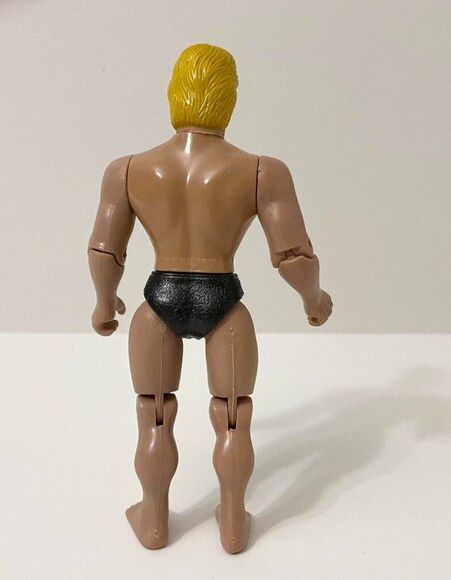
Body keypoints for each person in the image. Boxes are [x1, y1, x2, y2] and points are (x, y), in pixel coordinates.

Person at [88, 44, 333, 553]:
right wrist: (314, 299)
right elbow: (292, 253)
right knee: (233, 413)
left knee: (154, 411)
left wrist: (104, 302)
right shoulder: (261, 170)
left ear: (174, 93)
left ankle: (154, 520)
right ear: (229, 99)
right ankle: (233, 524)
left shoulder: (128, 169)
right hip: (223, 299)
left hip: (159, 300)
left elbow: (106, 249)